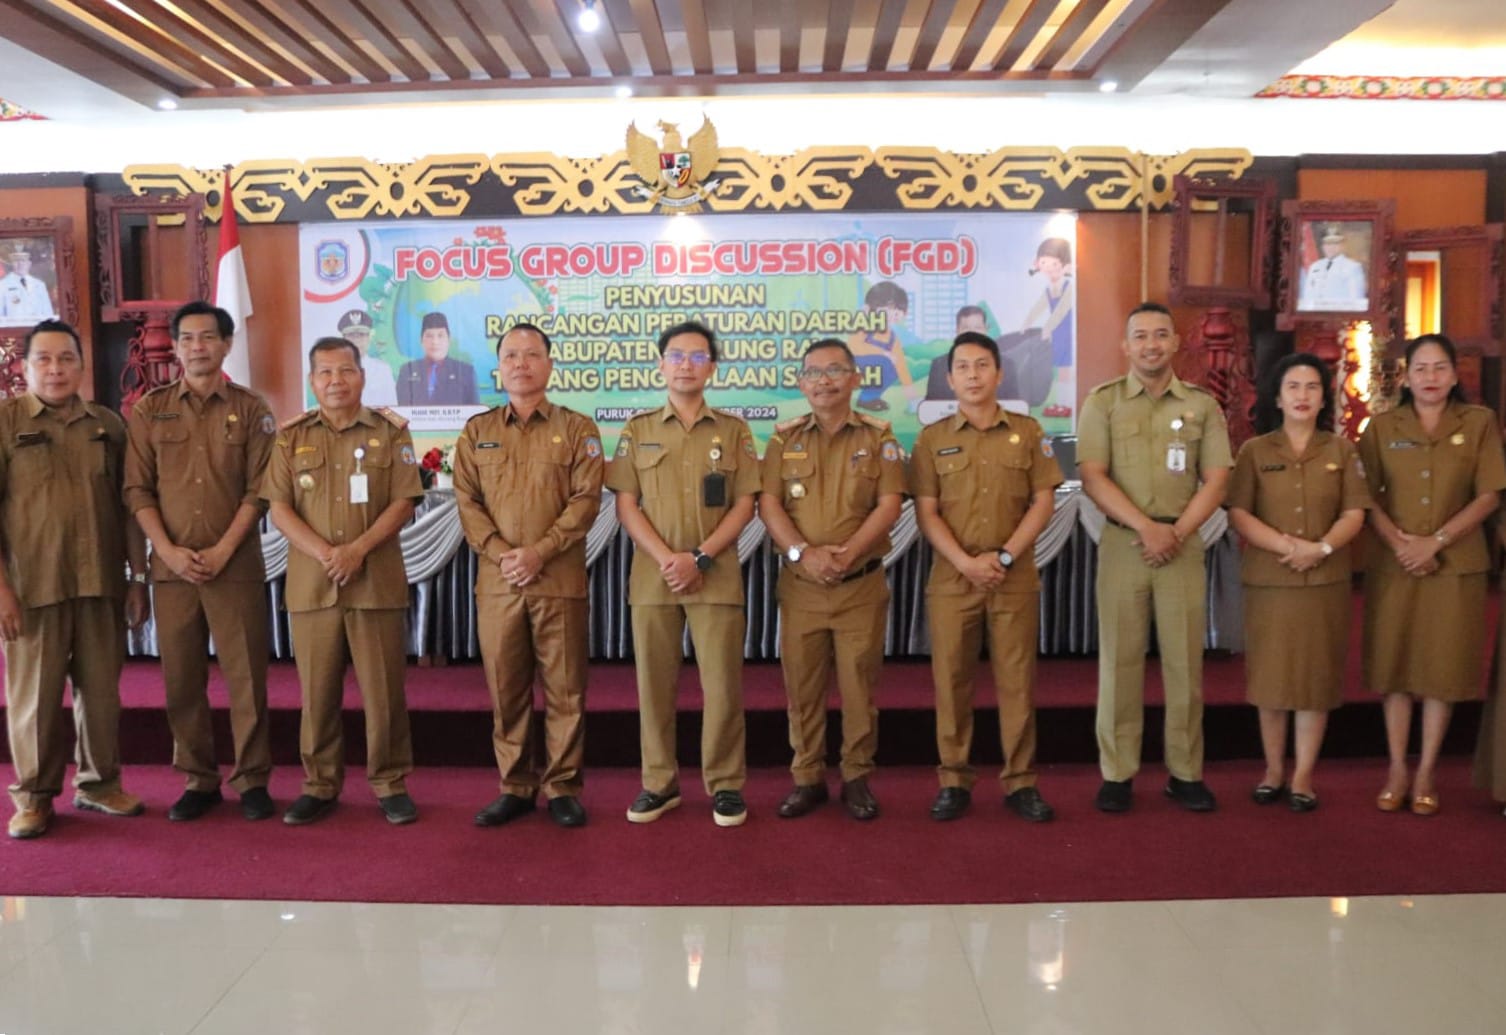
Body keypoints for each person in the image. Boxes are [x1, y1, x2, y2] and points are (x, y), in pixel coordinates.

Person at [262, 336, 425, 826]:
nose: (336, 380)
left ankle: (390, 783)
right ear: (313, 381)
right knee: (317, 695)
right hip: (313, 585)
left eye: (346, 370)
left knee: (384, 692)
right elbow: (279, 508)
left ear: (362, 376)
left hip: (374, 581)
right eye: (326, 372)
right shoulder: (291, 437)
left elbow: (404, 501)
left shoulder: (390, 432)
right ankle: (320, 784)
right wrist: (326, 553)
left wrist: (357, 550)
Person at [124, 301, 277, 822]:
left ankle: (252, 779)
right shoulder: (150, 410)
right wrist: (166, 552)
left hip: (234, 566)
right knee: (181, 681)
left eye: (207, 337)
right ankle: (198, 778)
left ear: (227, 344)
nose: (196, 347)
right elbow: (137, 490)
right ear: (176, 347)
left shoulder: (252, 409)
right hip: (172, 571)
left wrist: (224, 549)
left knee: (247, 679)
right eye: (187, 338)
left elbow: (261, 491)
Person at [1077, 302, 1232, 813]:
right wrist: (1146, 528)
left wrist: (1176, 532)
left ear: (1176, 343)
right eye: (1140, 336)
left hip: (1182, 546)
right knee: (1119, 663)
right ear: (1125, 346)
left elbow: (1217, 479)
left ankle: (1185, 772)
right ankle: (1117, 772)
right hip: (1124, 544)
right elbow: (1093, 476)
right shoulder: (1102, 402)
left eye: (1160, 335)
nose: (1151, 345)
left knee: (1185, 663)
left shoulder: (1202, 406)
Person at [605, 319, 759, 827]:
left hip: (716, 576)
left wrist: (700, 557)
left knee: (723, 686)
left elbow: (745, 504)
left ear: (712, 367)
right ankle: (659, 783)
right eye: (676, 355)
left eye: (697, 356)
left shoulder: (734, 431)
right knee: (654, 687)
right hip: (654, 579)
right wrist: (668, 558)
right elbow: (626, 504)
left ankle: (726, 784)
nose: (686, 365)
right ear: (660, 365)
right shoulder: (639, 430)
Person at [2, 319, 149, 839]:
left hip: (99, 583)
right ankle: (34, 797)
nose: (55, 369)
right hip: (32, 588)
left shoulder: (106, 425)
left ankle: (100, 784)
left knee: (102, 695)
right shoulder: (6, 422)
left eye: (66, 359)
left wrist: (138, 577)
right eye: (43, 359)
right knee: (35, 702)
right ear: (24, 368)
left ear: (82, 366)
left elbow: (129, 507)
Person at [452, 323, 603, 829]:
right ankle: (515, 785)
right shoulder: (478, 432)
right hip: (499, 585)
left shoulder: (577, 429)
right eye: (511, 355)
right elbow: (467, 503)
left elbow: (585, 502)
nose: (521, 363)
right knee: (507, 689)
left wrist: (539, 552)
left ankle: (562, 787)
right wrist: (503, 555)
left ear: (549, 365)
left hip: (557, 580)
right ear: (499, 368)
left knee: (565, 690)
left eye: (532, 354)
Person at [913, 331, 1063, 822]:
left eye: (982, 365)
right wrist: (965, 562)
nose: (973, 375)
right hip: (952, 579)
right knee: (951, 682)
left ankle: (1021, 782)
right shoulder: (932, 439)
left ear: (999, 374)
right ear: (949, 378)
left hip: (1012, 578)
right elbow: (927, 511)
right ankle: (953, 780)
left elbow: (1043, 500)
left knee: (1017, 683)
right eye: (963, 367)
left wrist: (1004, 557)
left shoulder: (1029, 431)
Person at [759, 338, 905, 821]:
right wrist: (803, 553)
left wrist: (850, 552)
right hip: (801, 586)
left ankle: (857, 776)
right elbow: (769, 503)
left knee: (860, 689)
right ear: (801, 383)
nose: (824, 381)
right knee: (802, 689)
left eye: (835, 370)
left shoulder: (879, 438)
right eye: (814, 373)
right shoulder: (783, 440)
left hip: (859, 583)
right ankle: (807, 778)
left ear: (855, 378)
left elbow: (889, 503)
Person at [1359, 333, 1505, 816]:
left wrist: (1436, 541)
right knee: (1396, 667)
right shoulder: (1382, 426)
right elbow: (1365, 497)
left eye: (1440, 367)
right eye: (1420, 368)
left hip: (1455, 565)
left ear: (1455, 374)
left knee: (1442, 670)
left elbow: (1489, 495)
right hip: (1395, 564)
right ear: (1405, 377)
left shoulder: (1479, 422)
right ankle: (1397, 768)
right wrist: (1401, 543)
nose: (1430, 377)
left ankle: (1426, 772)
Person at [1226, 353, 1369, 813]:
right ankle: (1272, 770)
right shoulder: (1255, 451)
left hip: (1325, 581)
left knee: (1314, 679)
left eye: (1312, 387)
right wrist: (1288, 547)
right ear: (1277, 397)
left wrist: (1321, 548)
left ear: (1324, 397)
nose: (1302, 395)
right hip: (1270, 581)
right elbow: (1239, 513)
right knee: (1271, 678)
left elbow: (1354, 512)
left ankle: (1304, 774)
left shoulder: (1342, 451)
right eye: (1293, 386)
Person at [847, 281, 919, 413]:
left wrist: (912, 398)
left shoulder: (892, 338)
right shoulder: (864, 327)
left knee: (894, 365)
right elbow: (852, 347)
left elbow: (901, 366)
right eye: (884, 311)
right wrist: (883, 353)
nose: (890, 316)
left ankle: (868, 398)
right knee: (886, 361)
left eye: (896, 313)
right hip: (852, 367)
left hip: (873, 372)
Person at [396, 312, 481, 405]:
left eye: (440, 336)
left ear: (449, 340)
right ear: (421, 340)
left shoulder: (465, 372)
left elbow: (474, 411)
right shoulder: (407, 371)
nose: (435, 342)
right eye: (429, 336)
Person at [1020, 238, 1075, 368]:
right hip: (1054, 334)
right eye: (1044, 263)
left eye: (1055, 264)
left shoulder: (1069, 288)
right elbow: (1037, 308)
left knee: (1064, 366)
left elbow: (1061, 311)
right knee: (1053, 364)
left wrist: (1048, 328)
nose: (1049, 268)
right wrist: (1026, 323)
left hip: (1066, 334)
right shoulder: (1049, 289)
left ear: (1065, 265)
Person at [338, 308, 398, 406]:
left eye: (361, 335)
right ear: (343, 340)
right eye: (351, 335)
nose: (356, 341)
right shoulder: (334, 370)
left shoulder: (383, 370)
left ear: (369, 338)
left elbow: (392, 408)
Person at [1300, 226, 1367, 311]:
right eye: (1327, 243)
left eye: (1335, 243)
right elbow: (1308, 295)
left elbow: (1356, 301)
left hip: (1339, 315)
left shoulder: (1353, 267)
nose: (1331, 247)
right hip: (1314, 315)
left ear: (1342, 246)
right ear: (1323, 246)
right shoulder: (1315, 266)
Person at [0, 247, 56, 321]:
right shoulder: (2, 285)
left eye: (23, 261)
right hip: (15, 326)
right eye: (16, 261)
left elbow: (47, 312)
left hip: (38, 326)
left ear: (29, 264)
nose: (20, 264)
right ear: (12, 264)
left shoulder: (39, 285)